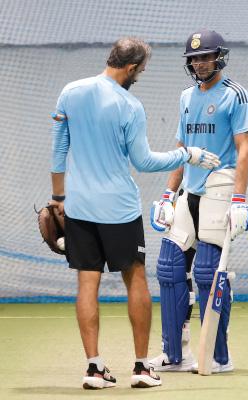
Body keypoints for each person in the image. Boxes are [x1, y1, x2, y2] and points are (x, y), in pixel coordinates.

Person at [49, 37, 220, 389]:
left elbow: (58, 149)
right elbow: (143, 161)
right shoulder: (129, 105)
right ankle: (142, 368)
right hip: (120, 210)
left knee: (87, 283)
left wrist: (57, 196)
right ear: (130, 68)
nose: (139, 76)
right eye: (140, 71)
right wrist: (187, 155)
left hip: (79, 206)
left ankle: (94, 369)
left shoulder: (71, 91)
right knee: (136, 280)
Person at [148, 29, 248, 373]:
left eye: (206, 56)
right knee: (169, 270)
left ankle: (218, 356)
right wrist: (167, 193)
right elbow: (181, 149)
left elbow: (244, 148)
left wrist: (240, 199)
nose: (200, 63)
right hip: (187, 194)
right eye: (194, 58)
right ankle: (174, 354)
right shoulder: (185, 97)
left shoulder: (235, 96)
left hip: (219, 191)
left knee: (208, 273)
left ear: (219, 57)